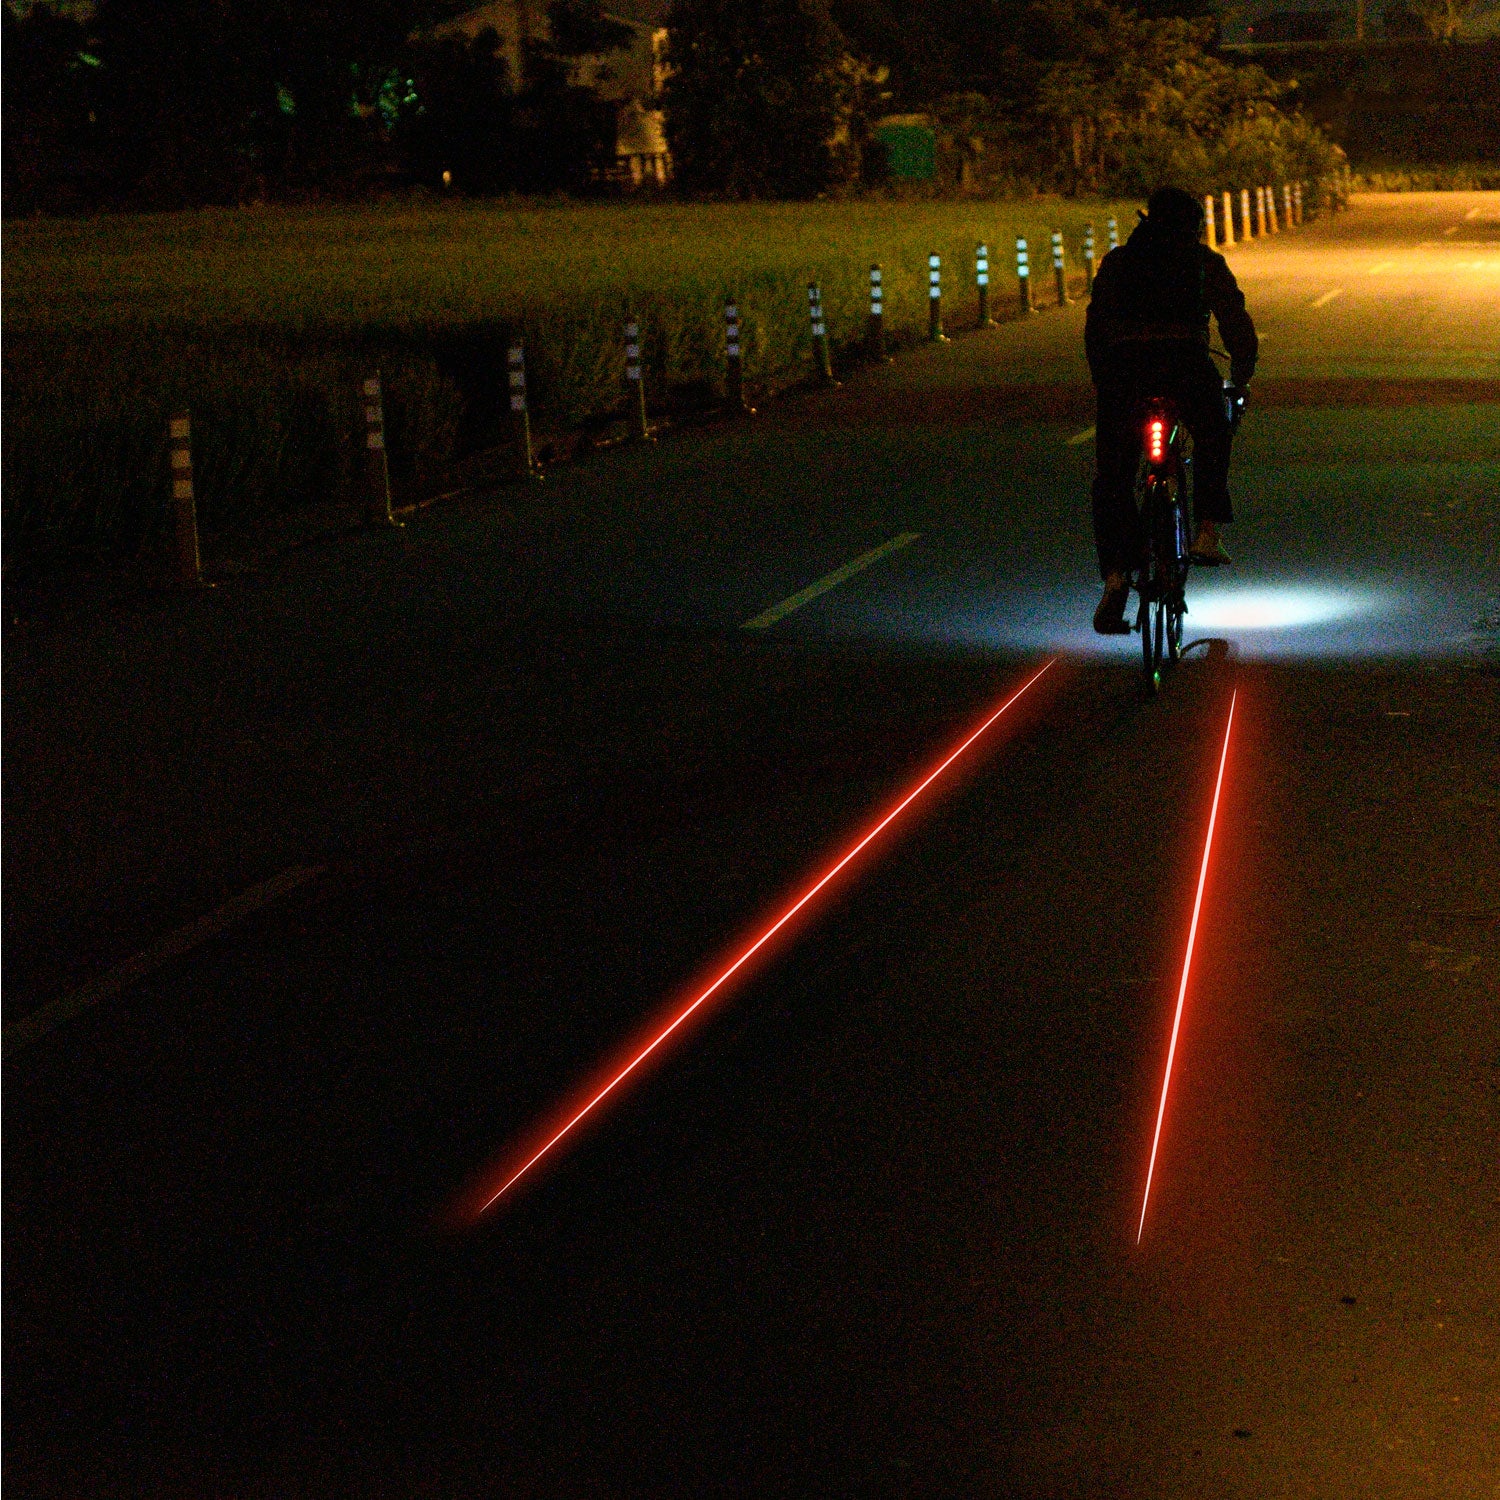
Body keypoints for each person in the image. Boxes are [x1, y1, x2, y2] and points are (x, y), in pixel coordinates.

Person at [1085, 186, 1258, 634]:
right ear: (1193, 226)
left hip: (1126, 371)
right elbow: (1234, 319)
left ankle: (1117, 578)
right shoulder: (1204, 262)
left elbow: (1095, 325)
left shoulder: (1118, 262)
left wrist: (1105, 380)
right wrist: (1241, 372)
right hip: (1185, 364)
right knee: (1214, 432)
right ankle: (1206, 530)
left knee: (1113, 475)